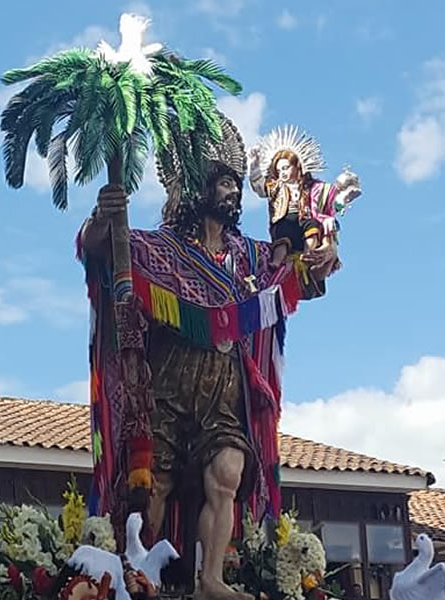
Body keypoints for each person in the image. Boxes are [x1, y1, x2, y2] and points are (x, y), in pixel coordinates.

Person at [79, 160, 338, 600]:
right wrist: (102, 219)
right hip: (167, 381)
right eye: (222, 183)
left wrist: (322, 257)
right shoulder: (158, 247)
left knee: (227, 473)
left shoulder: (252, 256)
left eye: (236, 186)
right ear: (198, 191)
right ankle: (141, 574)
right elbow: (101, 251)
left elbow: (295, 278)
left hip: (225, 383)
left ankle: (212, 578)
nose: (232, 193)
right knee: (153, 482)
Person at [249, 126, 361, 267]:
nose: (282, 173)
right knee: (284, 232)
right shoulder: (276, 187)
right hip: (284, 220)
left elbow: (328, 201)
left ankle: (309, 254)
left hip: (304, 219)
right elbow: (259, 188)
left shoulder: (312, 187)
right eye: (279, 170)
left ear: (297, 167)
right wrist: (254, 165)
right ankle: (276, 262)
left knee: (312, 225)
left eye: (285, 168)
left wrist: (343, 197)